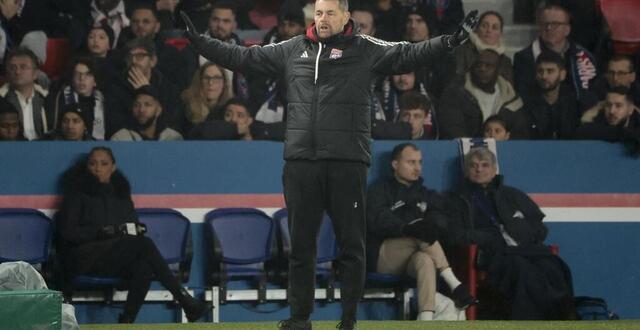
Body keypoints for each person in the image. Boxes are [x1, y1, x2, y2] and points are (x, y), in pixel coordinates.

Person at [182, 2, 477, 329]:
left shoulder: (367, 48)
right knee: (302, 246)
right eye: (318, 13)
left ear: (346, 16)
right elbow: (244, 57)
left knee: (352, 244)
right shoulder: (292, 48)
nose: (322, 19)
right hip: (301, 163)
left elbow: (408, 53)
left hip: (347, 161)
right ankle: (299, 318)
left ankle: (348, 319)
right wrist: (201, 43)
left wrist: (448, 41)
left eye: (330, 13)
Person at [56, 146, 207, 323]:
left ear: (112, 167)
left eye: (104, 164)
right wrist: (100, 232)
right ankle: (185, 301)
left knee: (144, 266)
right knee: (144, 245)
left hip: (115, 257)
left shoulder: (121, 196)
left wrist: (135, 230)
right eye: (93, 163)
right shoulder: (76, 195)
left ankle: (126, 322)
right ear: (86, 167)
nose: (98, 168)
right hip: (84, 258)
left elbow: (131, 228)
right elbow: (67, 232)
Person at [446, 147, 575, 320]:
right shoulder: (456, 199)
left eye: (485, 165)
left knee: (555, 267)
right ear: (466, 170)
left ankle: (562, 321)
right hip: (491, 255)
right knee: (523, 271)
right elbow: (456, 235)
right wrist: (490, 236)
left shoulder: (512, 194)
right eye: (473, 165)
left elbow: (540, 228)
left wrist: (524, 234)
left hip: (527, 249)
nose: (479, 169)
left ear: (494, 170)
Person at [366, 143, 475, 321]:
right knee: (420, 230)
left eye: (420, 162)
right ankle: (454, 283)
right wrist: (405, 228)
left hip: (415, 257)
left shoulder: (426, 194)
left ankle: (425, 318)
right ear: (395, 164)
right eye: (411, 162)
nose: (417, 167)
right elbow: (377, 220)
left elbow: (442, 221)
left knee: (424, 260)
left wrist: (428, 223)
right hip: (383, 255)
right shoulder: (380, 189)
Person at [513, 3, 596, 103]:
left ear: (567, 29)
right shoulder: (523, 58)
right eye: (545, 24)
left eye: (555, 24)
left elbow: (592, 94)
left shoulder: (584, 57)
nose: (549, 28)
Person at [438, 49, 527, 139]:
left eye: (488, 66)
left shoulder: (511, 98)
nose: (482, 69)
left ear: (498, 70)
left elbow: (520, 135)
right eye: (478, 64)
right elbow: (452, 128)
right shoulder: (455, 92)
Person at [106, 37, 185, 134]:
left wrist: (148, 91)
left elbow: (172, 122)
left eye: (140, 56)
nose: (134, 61)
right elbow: (116, 124)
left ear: (153, 61)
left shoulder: (168, 88)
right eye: (130, 57)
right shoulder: (116, 87)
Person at [45, 57, 117, 140]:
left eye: (88, 74)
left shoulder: (106, 102)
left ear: (95, 81)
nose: (81, 79)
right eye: (77, 74)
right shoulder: (58, 99)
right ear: (72, 78)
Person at [521, 51, 578, 139]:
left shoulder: (575, 103)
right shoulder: (525, 103)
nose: (544, 76)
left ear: (562, 75)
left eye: (550, 71)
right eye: (540, 71)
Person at [0, 47, 49, 140]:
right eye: (12, 68)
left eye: (23, 67)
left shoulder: (49, 99)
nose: (17, 72)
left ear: (35, 73)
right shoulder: (1, 99)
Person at [454, 11, 513, 84]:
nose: (489, 30)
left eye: (494, 27)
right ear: (476, 29)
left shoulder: (505, 61)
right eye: (484, 26)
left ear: (500, 34)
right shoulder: (462, 52)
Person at [189, 97, 285, 141]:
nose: (233, 119)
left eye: (240, 115)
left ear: (249, 120)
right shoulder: (212, 129)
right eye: (228, 114)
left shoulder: (257, 129)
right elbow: (198, 132)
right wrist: (235, 129)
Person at [110, 86, 182, 141]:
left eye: (147, 105)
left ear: (158, 111)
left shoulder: (173, 138)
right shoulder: (120, 138)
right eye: (136, 105)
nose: (141, 110)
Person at [574, 86, 640, 143]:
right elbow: (580, 132)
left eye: (618, 106)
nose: (611, 111)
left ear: (630, 110)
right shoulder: (599, 118)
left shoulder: (637, 122)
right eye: (608, 105)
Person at [181, 62, 232, 131]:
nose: (210, 83)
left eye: (216, 78)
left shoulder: (231, 108)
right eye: (206, 78)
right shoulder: (186, 105)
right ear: (199, 81)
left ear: (224, 83)